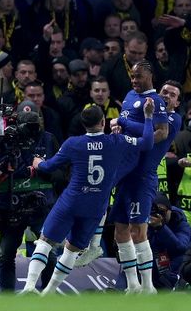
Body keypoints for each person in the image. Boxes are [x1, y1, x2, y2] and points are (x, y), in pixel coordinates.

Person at [20, 101, 154, 294]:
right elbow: (148, 142)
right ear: (103, 122)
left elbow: (49, 167)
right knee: (72, 250)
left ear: (83, 124)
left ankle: (29, 287)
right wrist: (148, 117)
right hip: (95, 207)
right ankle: (48, 292)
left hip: (72, 201)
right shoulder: (117, 141)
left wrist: (38, 163)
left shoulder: (73, 143)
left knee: (45, 241)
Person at [108, 64, 180, 294]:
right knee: (120, 229)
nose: (167, 96)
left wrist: (125, 124)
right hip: (125, 174)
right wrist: (118, 128)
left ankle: (148, 287)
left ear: (177, 103)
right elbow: (127, 123)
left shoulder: (173, 119)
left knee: (138, 230)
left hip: (143, 177)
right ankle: (132, 286)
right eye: (165, 92)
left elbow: (159, 134)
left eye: (173, 95)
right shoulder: (136, 100)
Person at [0, 103, 61, 293]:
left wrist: (43, 169)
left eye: (35, 122)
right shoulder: (6, 141)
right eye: (26, 123)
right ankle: (7, 299)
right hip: (12, 206)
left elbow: (61, 173)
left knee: (49, 253)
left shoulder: (49, 139)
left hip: (42, 206)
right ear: (15, 121)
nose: (32, 128)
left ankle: (47, 296)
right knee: (6, 255)